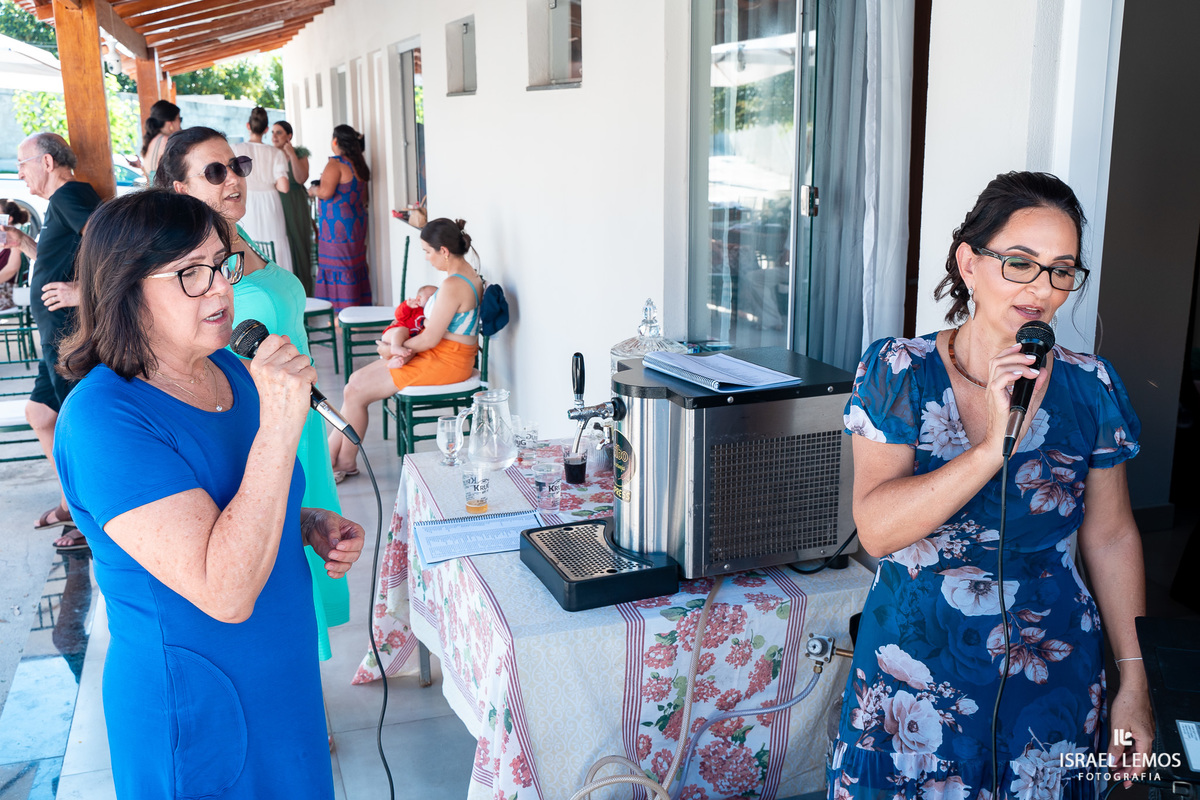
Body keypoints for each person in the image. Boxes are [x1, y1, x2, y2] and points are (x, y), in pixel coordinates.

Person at [827, 172, 1152, 799]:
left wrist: (1135, 682)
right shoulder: (899, 372)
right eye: (1020, 263)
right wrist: (990, 449)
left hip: (1053, 668)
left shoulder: (1093, 387)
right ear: (968, 264)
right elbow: (877, 527)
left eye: (1062, 270)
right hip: (915, 676)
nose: (1042, 288)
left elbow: (1111, 538)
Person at [53, 189, 363, 796]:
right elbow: (223, 590)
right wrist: (279, 425)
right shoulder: (104, 420)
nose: (221, 288)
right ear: (126, 288)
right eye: (190, 274)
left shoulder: (232, 375)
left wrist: (303, 523)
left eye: (221, 264)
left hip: (284, 679)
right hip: (198, 706)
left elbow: (233, 500)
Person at [156, 126, 351, 660]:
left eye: (237, 165)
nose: (233, 179)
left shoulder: (241, 243)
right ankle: (294, 687)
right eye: (213, 172)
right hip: (255, 424)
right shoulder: (190, 273)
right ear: (179, 190)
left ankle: (308, 682)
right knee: (267, 548)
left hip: (300, 416)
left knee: (312, 541)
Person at [3, 133, 101, 546]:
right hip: (54, 338)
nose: (20, 172)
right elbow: (62, 257)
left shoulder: (69, 195)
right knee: (41, 415)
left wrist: (83, 293)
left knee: (79, 428)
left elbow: (112, 240)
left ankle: (90, 519)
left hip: (68, 340)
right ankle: (69, 503)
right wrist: (26, 245)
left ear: (46, 162)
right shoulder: (62, 204)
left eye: (23, 164)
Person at [328, 219, 481, 480]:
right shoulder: (463, 277)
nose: (426, 258)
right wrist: (395, 346)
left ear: (443, 251)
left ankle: (336, 463)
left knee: (355, 390)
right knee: (354, 384)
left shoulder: (455, 285)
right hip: (441, 353)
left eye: (427, 251)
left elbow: (430, 339)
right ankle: (342, 461)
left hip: (447, 360)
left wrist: (392, 350)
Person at [311, 124, 371, 311]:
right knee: (353, 264)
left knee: (338, 265)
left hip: (336, 226)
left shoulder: (335, 164)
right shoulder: (358, 163)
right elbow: (365, 197)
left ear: (335, 141)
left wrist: (314, 190)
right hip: (356, 221)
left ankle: (341, 311)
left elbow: (326, 193)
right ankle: (356, 308)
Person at [231, 107, 295, 279]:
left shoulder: (235, 149)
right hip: (270, 203)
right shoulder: (276, 153)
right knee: (275, 244)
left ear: (248, 126)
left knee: (249, 244)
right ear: (266, 130)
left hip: (246, 201)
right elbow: (284, 187)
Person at [272, 120, 315, 296]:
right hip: (278, 201)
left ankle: (305, 291)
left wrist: (292, 154)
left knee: (299, 242)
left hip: (296, 202)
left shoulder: (300, 154)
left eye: (279, 132)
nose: (274, 136)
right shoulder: (270, 154)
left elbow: (301, 178)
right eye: (273, 132)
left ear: (289, 136)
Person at [382, 284, 437, 365]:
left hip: (406, 339)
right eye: (429, 298)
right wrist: (407, 306)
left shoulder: (429, 314)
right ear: (419, 299)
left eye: (436, 298)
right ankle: (395, 347)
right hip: (393, 333)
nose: (433, 302)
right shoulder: (414, 307)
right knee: (403, 329)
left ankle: (396, 361)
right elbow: (399, 315)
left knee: (410, 352)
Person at [0, 200, 31, 311]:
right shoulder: (2, 237)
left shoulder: (14, 237)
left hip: (6, 293)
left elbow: (12, 268)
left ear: (8, 219)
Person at [140, 99, 182, 181]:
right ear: (170, 123)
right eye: (179, 119)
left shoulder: (151, 140)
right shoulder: (167, 141)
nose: (180, 123)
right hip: (165, 192)